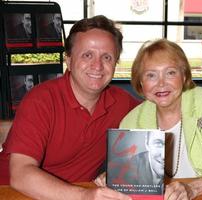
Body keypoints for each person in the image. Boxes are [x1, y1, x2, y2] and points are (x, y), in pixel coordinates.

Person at [0, 15, 140, 200]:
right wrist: (86, 196)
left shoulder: (123, 103)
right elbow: (21, 175)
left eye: (107, 57)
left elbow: (163, 119)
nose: (97, 66)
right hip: (13, 193)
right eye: (87, 55)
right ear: (68, 60)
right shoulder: (41, 100)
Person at [95, 38, 202, 199]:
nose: (161, 84)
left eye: (170, 73)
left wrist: (196, 187)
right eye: (151, 75)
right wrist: (114, 177)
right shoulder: (132, 121)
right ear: (141, 83)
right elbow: (133, 175)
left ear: (184, 76)